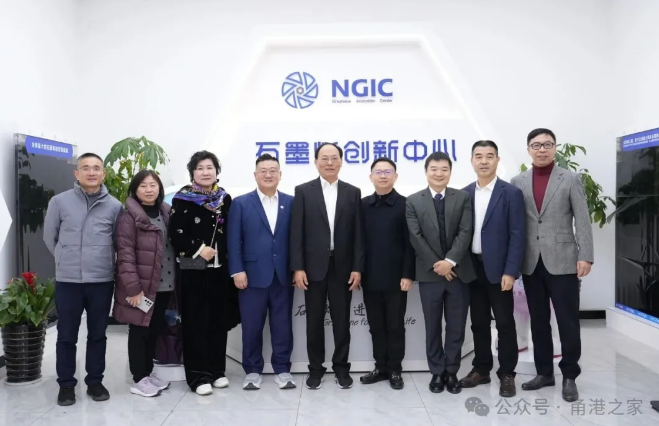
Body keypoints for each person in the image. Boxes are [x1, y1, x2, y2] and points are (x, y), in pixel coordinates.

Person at [511, 128, 593, 402]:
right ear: (528, 149)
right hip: (531, 262)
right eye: (536, 145)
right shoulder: (518, 181)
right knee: (538, 321)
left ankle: (569, 375)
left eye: (547, 144)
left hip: (564, 260)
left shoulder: (569, 178)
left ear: (555, 148)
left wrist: (586, 255)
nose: (542, 149)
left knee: (567, 321)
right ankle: (544, 372)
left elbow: (582, 219)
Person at [43, 152, 122, 406]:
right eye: (85, 168)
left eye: (96, 168)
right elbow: (50, 237)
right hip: (69, 281)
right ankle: (66, 385)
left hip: (101, 281)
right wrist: (65, 258)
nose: (91, 172)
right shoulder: (59, 201)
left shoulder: (115, 206)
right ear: (76, 173)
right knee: (66, 335)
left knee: (98, 334)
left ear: (103, 174)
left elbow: (118, 241)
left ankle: (95, 382)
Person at [290, 142, 365, 390]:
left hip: (343, 267)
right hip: (313, 268)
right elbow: (297, 232)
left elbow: (358, 234)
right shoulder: (303, 191)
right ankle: (315, 369)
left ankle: (341, 368)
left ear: (341, 162)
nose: (329, 162)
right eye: (324, 158)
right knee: (313, 321)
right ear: (316, 162)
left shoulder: (353, 192)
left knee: (342, 321)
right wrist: (298, 267)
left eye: (334, 158)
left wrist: (357, 267)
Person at [168, 150, 241, 396]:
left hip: (221, 271)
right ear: (192, 173)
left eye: (210, 167)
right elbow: (175, 233)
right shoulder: (183, 198)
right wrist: (199, 249)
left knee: (218, 321)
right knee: (195, 323)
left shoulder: (224, 199)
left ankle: (217, 371)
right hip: (193, 271)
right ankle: (197, 377)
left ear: (216, 171)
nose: (205, 172)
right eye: (200, 168)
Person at [405, 151, 476, 394]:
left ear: (450, 172)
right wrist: (439, 264)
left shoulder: (463, 197)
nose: (439, 173)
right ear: (426, 172)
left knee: (456, 326)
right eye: (434, 169)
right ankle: (436, 371)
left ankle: (452, 371)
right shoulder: (413, 200)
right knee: (432, 325)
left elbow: (465, 231)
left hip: (459, 273)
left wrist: (450, 262)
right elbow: (416, 237)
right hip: (430, 275)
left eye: (444, 169)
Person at [459, 140, 526, 397]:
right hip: (472, 269)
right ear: (472, 161)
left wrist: (511, 271)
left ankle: (507, 373)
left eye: (489, 156)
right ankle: (481, 369)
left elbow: (517, 234)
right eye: (479, 156)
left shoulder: (510, 193)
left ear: (497, 160)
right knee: (478, 323)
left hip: (500, 271)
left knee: (505, 323)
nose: (484, 161)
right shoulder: (464, 194)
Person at [227, 153, 296, 391]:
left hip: (283, 275)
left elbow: (297, 240)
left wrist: (297, 268)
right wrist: (237, 270)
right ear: (255, 175)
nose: (268, 175)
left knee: (282, 326)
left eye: (273, 170)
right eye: (263, 171)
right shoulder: (240, 203)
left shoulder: (292, 202)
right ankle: (253, 371)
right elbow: (233, 240)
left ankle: (283, 369)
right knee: (252, 326)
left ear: (280, 174)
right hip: (251, 275)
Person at [113, 170, 175, 398]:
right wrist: (133, 288)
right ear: (135, 189)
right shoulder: (129, 217)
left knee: (154, 329)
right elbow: (125, 255)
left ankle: (147, 373)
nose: (149, 190)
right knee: (139, 331)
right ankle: (138, 378)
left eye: (153, 185)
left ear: (159, 188)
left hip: (164, 284)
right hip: (141, 288)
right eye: (143, 186)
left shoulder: (166, 212)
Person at [359, 158, 414, 390]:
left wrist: (408, 274)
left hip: (396, 278)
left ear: (395, 176)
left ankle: (395, 369)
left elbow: (410, 244)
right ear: (371, 176)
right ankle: (380, 367)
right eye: (378, 172)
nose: (383, 176)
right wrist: (358, 271)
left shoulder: (405, 204)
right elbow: (358, 242)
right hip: (370, 276)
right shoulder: (362, 205)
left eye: (387, 172)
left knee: (395, 325)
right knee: (375, 325)